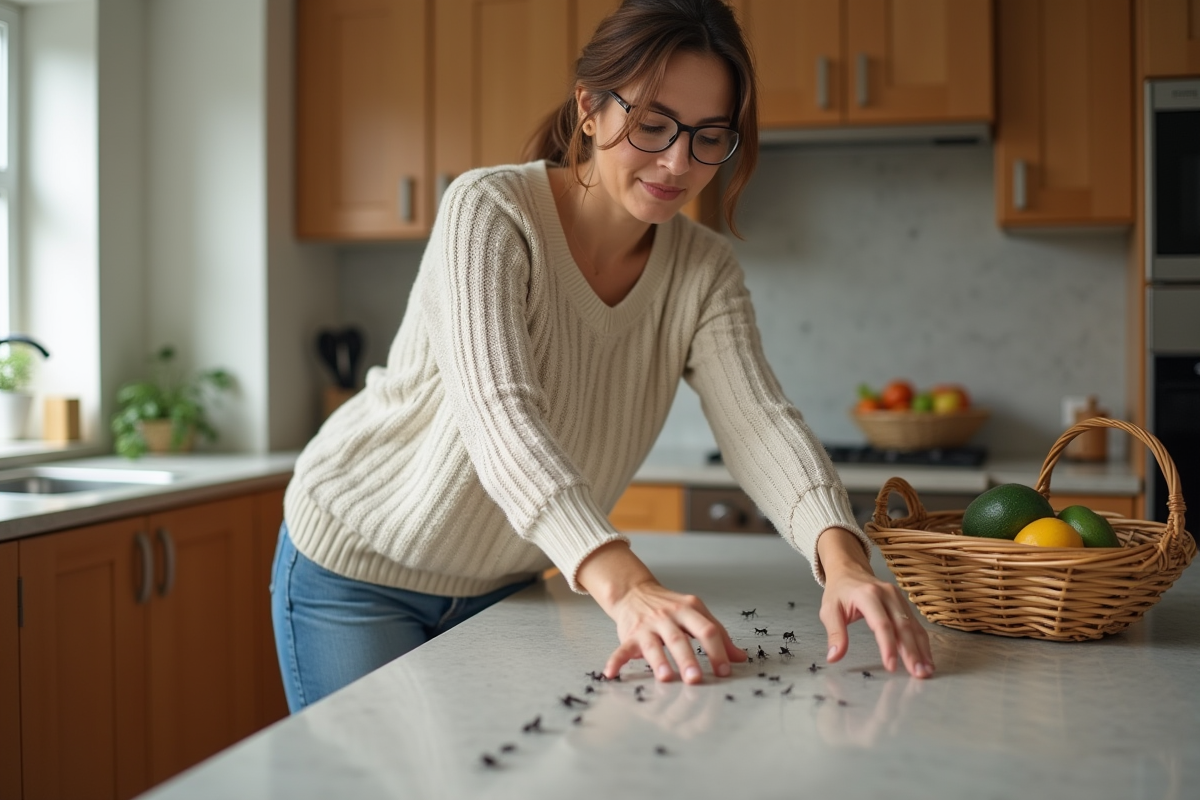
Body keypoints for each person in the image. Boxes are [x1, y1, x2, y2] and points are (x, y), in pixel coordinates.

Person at [272, 0, 934, 713]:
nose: (678, 162)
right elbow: (499, 415)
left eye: (710, 136)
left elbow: (759, 422)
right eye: (652, 124)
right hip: (358, 566)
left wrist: (842, 559)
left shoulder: (703, 270)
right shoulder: (491, 211)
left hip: (506, 583)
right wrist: (627, 584)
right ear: (589, 107)